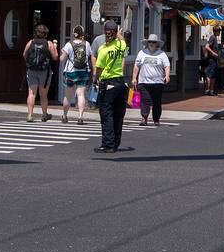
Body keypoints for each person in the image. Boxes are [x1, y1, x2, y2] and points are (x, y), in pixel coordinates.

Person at [92, 20, 129, 153]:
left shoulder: (103, 49)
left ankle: (108, 144)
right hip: (120, 82)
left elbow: (99, 69)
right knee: (118, 115)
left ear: (104, 32)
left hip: (108, 83)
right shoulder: (121, 45)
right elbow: (123, 40)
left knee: (107, 115)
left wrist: (95, 81)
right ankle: (116, 142)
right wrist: (119, 34)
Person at [22, 24, 59, 122]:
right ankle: (44, 114)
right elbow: (55, 57)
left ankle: (30, 115)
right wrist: (55, 46)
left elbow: (24, 54)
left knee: (31, 93)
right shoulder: (49, 43)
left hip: (32, 70)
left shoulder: (31, 42)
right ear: (45, 34)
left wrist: (29, 63)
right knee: (43, 94)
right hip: (44, 71)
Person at [133, 34, 171, 127]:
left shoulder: (162, 54)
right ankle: (144, 118)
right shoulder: (142, 52)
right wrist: (134, 78)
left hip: (157, 82)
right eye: (149, 42)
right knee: (145, 100)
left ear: (157, 44)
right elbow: (137, 66)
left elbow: (167, 66)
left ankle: (156, 119)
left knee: (156, 102)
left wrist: (167, 75)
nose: (151, 44)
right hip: (144, 81)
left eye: (153, 42)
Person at [59, 25, 94, 124]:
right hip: (83, 72)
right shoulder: (87, 44)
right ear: (82, 33)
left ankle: (65, 116)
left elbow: (62, 59)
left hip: (71, 72)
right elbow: (90, 56)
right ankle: (80, 117)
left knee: (68, 95)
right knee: (81, 94)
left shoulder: (69, 44)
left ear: (74, 33)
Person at [203, 27, 221, 96]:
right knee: (210, 75)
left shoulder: (215, 38)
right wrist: (213, 53)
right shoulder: (212, 37)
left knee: (213, 75)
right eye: (219, 31)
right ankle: (208, 89)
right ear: (216, 31)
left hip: (214, 60)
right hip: (211, 60)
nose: (219, 32)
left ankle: (211, 90)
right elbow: (207, 46)